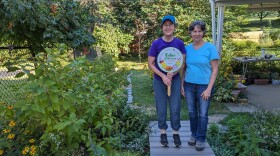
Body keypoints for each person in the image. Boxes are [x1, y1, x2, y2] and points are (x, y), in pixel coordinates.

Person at [148, 15, 186, 148]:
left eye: (171, 25)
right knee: (161, 106)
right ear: (162, 27)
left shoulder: (179, 43)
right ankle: (163, 131)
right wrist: (163, 76)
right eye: (165, 25)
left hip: (174, 79)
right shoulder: (156, 43)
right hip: (159, 80)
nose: (168, 27)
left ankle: (175, 132)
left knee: (175, 106)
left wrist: (173, 73)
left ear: (174, 27)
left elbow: (182, 63)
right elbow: (151, 63)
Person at [181, 20, 219, 151]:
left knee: (203, 114)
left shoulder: (210, 48)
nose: (197, 33)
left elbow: (215, 69)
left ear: (203, 33)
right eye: (194, 31)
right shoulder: (186, 49)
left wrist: (209, 88)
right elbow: (184, 68)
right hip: (189, 85)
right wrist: (182, 85)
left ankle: (201, 138)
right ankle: (193, 134)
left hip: (204, 86)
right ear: (190, 33)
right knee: (192, 112)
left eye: (199, 31)